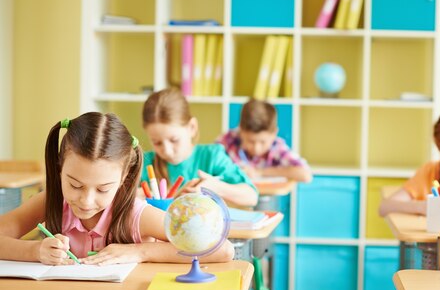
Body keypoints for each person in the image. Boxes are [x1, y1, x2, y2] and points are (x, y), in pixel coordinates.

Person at [0, 112, 234, 265]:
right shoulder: (50, 201)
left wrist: (140, 252)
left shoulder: (133, 214)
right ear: (60, 167)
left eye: (102, 190)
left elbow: (222, 250)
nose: (86, 200)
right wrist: (35, 251)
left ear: (123, 178)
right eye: (75, 185)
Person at [142, 88, 258, 207]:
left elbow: (251, 196)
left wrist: (216, 187)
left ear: (192, 127)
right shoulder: (144, 163)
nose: (167, 151)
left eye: (174, 140)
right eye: (157, 142)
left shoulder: (212, 156)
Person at [217, 98, 312, 183]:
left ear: (274, 134)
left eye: (263, 142)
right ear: (241, 131)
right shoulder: (227, 141)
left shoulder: (277, 147)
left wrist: (259, 172)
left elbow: (305, 175)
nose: (256, 148)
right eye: (251, 141)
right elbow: (209, 166)